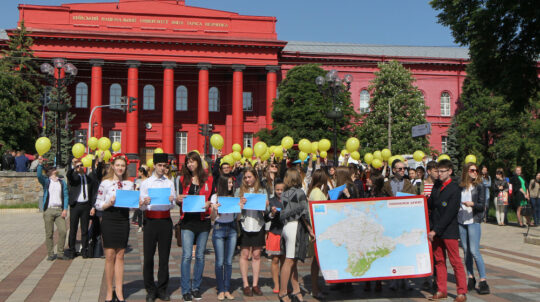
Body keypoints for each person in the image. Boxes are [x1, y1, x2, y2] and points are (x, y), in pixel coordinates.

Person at [95, 155, 134, 302]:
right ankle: (109, 291)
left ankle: (119, 290)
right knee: (110, 255)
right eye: (117, 165)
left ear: (125, 168)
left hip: (123, 219)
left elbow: (132, 205)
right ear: (112, 166)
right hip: (109, 218)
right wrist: (108, 203)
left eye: (122, 166)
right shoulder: (105, 183)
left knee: (120, 255)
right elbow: (97, 204)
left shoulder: (129, 184)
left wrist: (138, 202)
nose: (120, 168)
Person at [427, 159, 467, 302]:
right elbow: (432, 204)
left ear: (449, 171)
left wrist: (435, 230)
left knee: (455, 261)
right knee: (439, 261)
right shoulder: (436, 185)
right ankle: (441, 290)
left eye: (442, 171)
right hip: (436, 230)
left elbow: (450, 213)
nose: (439, 174)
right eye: (437, 171)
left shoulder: (455, 188)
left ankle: (461, 292)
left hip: (448, 230)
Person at [139, 153, 177, 302]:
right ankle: (150, 289)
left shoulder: (169, 183)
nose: (162, 168)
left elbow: (172, 204)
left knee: (164, 257)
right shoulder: (146, 183)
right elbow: (141, 207)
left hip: (165, 221)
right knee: (148, 257)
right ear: (154, 165)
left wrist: (172, 200)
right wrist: (144, 202)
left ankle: (162, 289)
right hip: (150, 221)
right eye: (160, 165)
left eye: (164, 166)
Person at [176, 151, 213, 302]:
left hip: (203, 222)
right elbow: (178, 199)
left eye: (192, 161)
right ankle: (185, 289)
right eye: (188, 162)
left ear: (198, 162)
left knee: (200, 256)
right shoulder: (182, 179)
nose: (190, 164)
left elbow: (212, 197)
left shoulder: (208, 179)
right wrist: (178, 199)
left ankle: (196, 287)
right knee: (186, 256)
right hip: (188, 222)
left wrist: (209, 203)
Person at [278, 168, 312, 302]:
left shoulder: (285, 193)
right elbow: (304, 213)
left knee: (292, 260)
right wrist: (310, 229)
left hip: (286, 227)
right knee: (290, 261)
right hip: (294, 227)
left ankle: (296, 289)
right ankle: (282, 292)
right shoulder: (300, 193)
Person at [235, 167, 268, 297]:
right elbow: (234, 210)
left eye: (250, 177)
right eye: (245, 177)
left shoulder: (262, 190)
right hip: (244, 223)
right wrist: (239, 205)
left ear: (255, 177)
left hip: (258, 224)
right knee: (244, 254)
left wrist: (266, 205)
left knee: (256, 255)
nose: (247, 180)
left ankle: (255, 284)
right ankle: (245, 284)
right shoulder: (239, 191)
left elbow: (268, 209)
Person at [458, 163, 490, 294]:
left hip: (474, 220)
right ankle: (470, 277)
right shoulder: (461, 187)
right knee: (466, 251)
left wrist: (473, 204)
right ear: (466, 172)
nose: (475, 172)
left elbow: (482, 206)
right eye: (472, 170)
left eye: (476, 170)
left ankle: (483, 280)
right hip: (461, 221)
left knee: (474, 251)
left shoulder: (480, 186)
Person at [66, 157, 101, 259]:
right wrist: (73, 167)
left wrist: (93, 206)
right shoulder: (74, 177)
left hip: (86, 206)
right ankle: (72, 250)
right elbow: (69, 175)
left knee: (84, 229)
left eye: (81, 165)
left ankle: (84, 250)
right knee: (73, 229)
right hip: (75, 205)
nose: (80, 167)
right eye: (78, 166)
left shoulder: (88, 178)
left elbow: (93, 192)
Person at [210, 175, 239, 301]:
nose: (231, 185)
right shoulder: (215, 197)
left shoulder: (233, 197)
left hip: (232, 228)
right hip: (219, 228)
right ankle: (220, 289)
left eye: (232, 183)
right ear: (222, 183)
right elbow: (211, 219)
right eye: (229, 183)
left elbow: (237, 218)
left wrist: (240, 208)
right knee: (219, 261)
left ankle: (227, 289)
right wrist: (214, 209)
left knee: (228, 261)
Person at [37, 156, 68, 261]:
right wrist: (40, 165)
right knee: (49, 233)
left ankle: (60, 252)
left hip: (59, 210)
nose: (55, 169)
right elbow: (38, 176)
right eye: (53, 168)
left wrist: (65, 209)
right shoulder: (46, 181)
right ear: (49, 172)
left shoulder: (61, 182)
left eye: (55, 168)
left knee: (63, 231)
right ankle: (50, 254)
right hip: (49, 210)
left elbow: (66, 195)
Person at [306, 169, 329, 299]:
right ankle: (315, 289)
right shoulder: (317, 193)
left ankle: (317, 287)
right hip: (318, 230)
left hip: (317, 229)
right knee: (316, 262)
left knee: (317, 261)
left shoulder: (314, 192)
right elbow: (320, 211)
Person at [363, 170, 385, 292]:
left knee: (377, 256)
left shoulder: (382, 196)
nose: (367, 180)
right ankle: (367, 281)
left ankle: (378, 281)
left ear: (375, 182)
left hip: (378, 230)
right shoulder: (367, 194)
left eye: (369, 178)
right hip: (367, 230)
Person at [264, 180, 285, 294]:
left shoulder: (288, 200)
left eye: (282, 190)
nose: (279, 192)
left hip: (286, 232)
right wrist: (272, 213)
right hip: (275, 231)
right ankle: (276, 284)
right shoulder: (271, 201)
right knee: (275, 259)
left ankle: (284, 284)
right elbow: (266, 218)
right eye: (277, 190)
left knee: (285, 260)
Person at [132, 165, 149, 232]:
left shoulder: (148, 180)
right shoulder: (137, 180)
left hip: (145, 198)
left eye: (138, 172)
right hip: (138, 198)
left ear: (142, 172)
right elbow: (135, 189)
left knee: (145, 213)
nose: (137, 173)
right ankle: (140, 225)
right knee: (139, 212)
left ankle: (145, 225)